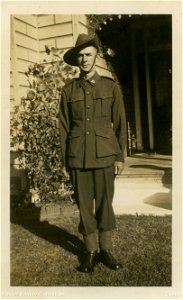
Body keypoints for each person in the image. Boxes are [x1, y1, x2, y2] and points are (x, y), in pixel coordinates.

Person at [58, 33, 127, 273]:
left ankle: (106, 249)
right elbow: (64, 127)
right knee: (84, 206)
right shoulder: (68, 91)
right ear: (76, 60)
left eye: (88, 54)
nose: (84, 59)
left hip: (106, 155)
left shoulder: (110, 86)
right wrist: (65, 159)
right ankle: (90, 251)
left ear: (96, 55)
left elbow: (120, 123)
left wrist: (120, 156)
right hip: (78, 156)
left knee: (105, 204)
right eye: (80, 56)